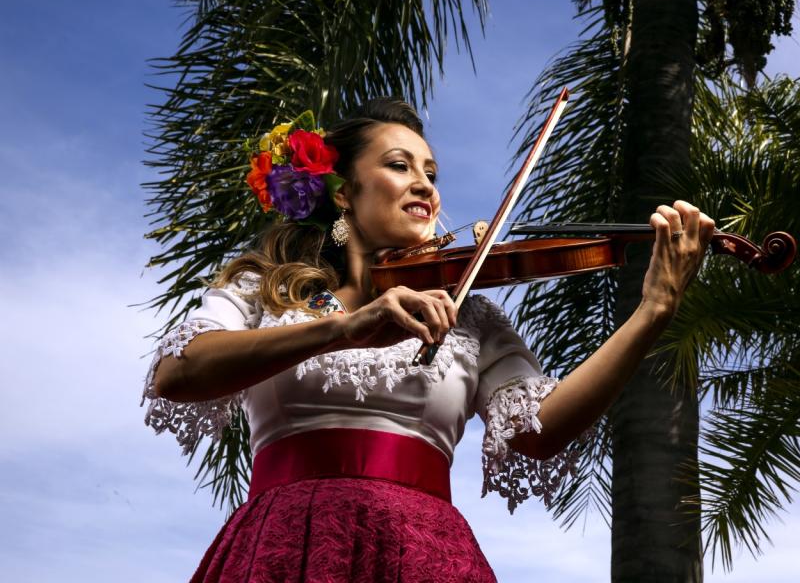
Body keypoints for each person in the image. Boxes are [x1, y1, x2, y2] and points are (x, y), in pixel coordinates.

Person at [142, 98, 715, 582]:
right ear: (344, 192)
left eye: (432, 173)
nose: (424, 185)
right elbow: (178, 371)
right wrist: (344, 329)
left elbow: (538, 431)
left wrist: (653, 310)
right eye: (399, 166)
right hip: (285, 544)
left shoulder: (468, 313)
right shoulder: (265, 289)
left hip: (422, 551)